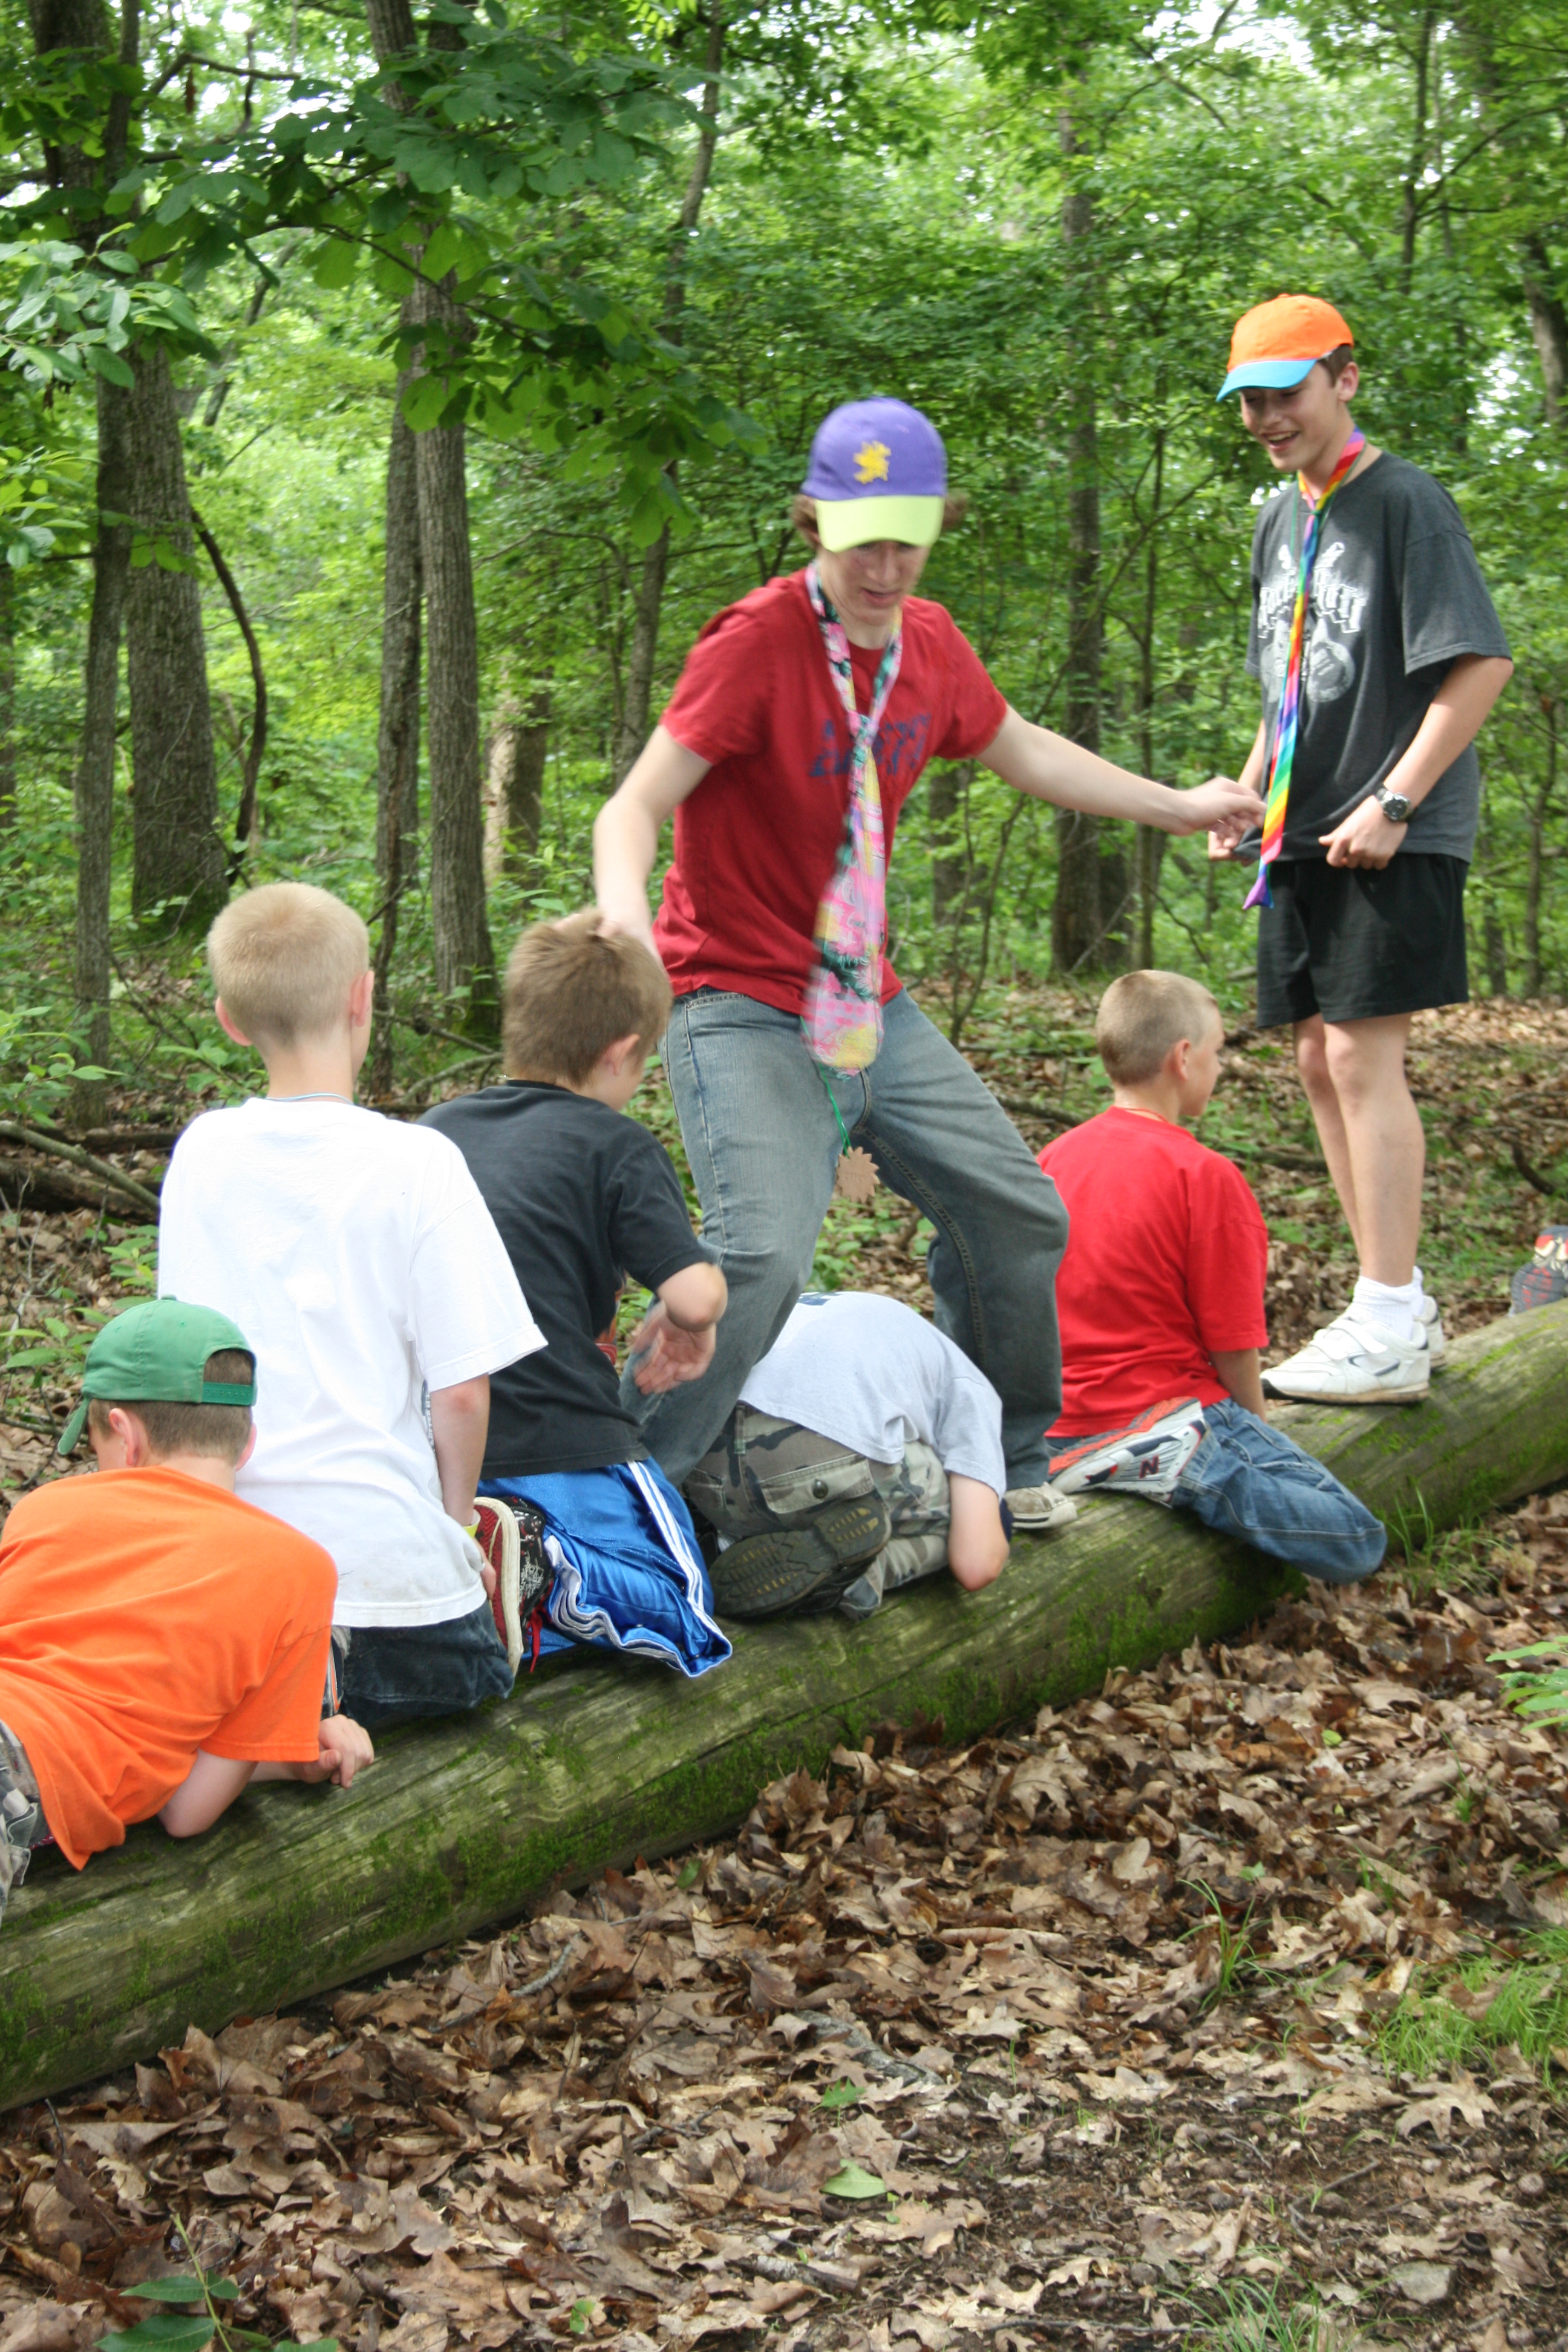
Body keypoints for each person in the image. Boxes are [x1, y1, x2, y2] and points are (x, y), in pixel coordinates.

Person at [593, 396, 1264, 1519]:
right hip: (742, 1001)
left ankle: (999, 1455)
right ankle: (617, 1495)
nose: (885, 563)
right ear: (812, 523)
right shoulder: (755, 643)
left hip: (868, 1005)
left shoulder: (931, 649)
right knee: (756, 1259)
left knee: (1016, 1210)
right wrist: (624, 924)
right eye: (861, 535)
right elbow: (635, 805)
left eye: (907, 533)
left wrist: (1178, 802)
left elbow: (1026, 750)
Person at [1211, 293, 1513, 1403]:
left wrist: (1394, 797)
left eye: (1283, 392)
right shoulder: (1279, 518)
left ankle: (1385, 1309)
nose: (1263, 416)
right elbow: (1286, 684)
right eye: (1246, 399)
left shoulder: (1403, 502)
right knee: (1310, 1057)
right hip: (1306, 825)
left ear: (1344, 376)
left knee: (1355, 1054)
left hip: (1392, 823)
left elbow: (1477, 665)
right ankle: (1395, 1303)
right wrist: (1248, 792)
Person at [157, 884, 546, 1728]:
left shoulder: (201, 1153)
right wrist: (453, 1533)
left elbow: (183, 1366)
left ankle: (293, 1699)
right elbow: (463, 1394)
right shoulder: (420, 1162)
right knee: (484, 1676)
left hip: (238, 1594)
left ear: (229, 1019)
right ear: (364, 995)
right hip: (392, 1600)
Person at [421, 915, 731, 1679]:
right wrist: (701, 1307)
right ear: (622, 1052)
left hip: (438, 1460)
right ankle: (544, 1568)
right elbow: (693, 1299)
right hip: (568, 1445)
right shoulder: (614, 1144)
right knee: (685, 1601)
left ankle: (482, 1597)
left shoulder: (431, 1134)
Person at [0, 1299, 372, 1927]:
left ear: (125, 1433)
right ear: (248, 1443)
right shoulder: (297, 1570)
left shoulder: (42, 1509)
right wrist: (284, 1759)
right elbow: (187, 1813)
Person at [1037, 971, 1385, 1584]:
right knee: (1357, 1539)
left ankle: (1131, 1459)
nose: (1220, 1068)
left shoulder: (1050, 1160)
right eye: (1219, 1051)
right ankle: (1188, 1470)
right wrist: (1256, 1430)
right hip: (1172, 1410)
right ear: (1184, 1057)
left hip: (1057, 1427)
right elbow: (1233, 1342)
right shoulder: (1205, 1175)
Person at [687, 1289, 1022, 1621]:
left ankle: (725, 1540)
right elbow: (976, 1567)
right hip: (814, 1457)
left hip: (705, 1467)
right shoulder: (973, 1388)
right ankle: (858, 1577)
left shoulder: (842, 1309)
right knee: (975, 1523)